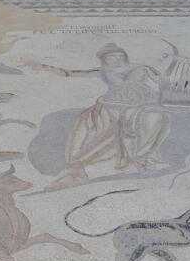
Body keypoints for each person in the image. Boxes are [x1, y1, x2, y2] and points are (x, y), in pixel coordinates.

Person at [27, 43, 170, 190]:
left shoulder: (142, 69)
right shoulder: (103, 71)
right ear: (104, 59)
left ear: (124, 56)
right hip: (109, 106)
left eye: (119, 55)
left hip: (137, 107)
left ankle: (142, 158)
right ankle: (81, 167)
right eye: (111, 57)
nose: (116, 59)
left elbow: (160, 84)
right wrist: (44, 67)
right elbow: (70, 73)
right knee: (105, 127)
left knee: (150, 120)